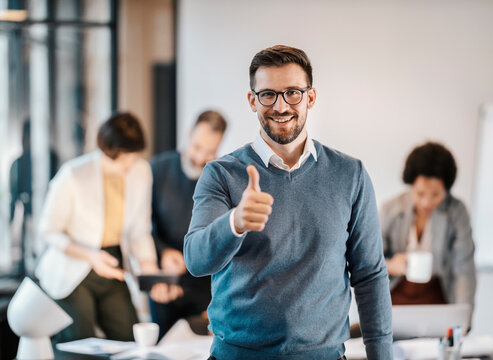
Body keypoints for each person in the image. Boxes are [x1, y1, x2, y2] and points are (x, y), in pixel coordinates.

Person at [184, 45, 393, 360]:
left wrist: (382, 356)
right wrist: (235, 223)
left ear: (310, 97)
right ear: (252, 100)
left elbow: (370, 275)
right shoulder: (221, 174)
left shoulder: (350, 174)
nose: (280, 106)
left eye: (292, 93)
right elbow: (196, 259)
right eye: (268, 94)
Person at [35, 113, 171, 343]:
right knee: (81, 344)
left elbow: (140, 229)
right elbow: (48, 230)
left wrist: (150, 272)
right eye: (126, 157)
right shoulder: (74, 174)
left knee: (130, 339)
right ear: (109, 150)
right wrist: (91, 256)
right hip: (73, 265)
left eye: (135, 156)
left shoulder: (141, 171)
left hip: (114, 261)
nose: (131, 163)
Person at [150, 110, 227, 338]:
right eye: (197, 147)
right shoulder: (157, 170)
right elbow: (143, 228)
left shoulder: (220, 177)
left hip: (205, 290)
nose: (201, 157)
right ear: (188, 133)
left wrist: (221, 301)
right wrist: (163, 254)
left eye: (210, 151)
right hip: (164, 283)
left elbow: (225, 238)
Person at [380, 142, 476, 307]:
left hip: (437, 295)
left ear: (446, 190)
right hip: (395, 293)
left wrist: (463, 316)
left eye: (436, 195)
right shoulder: (390, 209)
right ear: (411, 185)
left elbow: (463, 268)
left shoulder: (456, 212)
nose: (427, 202)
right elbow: (368, 261)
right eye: (420, 193)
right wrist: (390, 265)